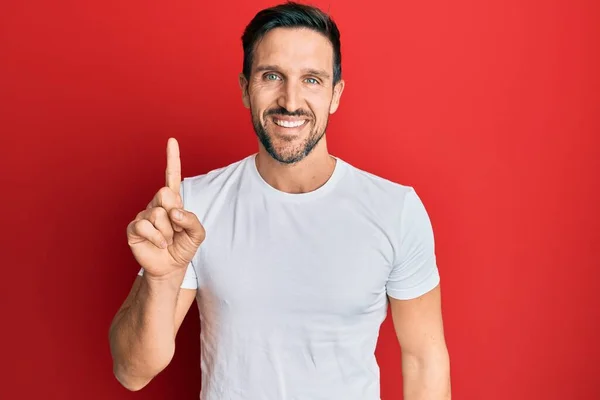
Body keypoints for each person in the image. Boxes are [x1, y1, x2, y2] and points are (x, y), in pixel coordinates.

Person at [108, 2, 451, 399]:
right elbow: (132, 372)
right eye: (272, 76)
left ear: (335, 94)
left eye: (312, 80)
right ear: (244, 88)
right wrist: (161, 278)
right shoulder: (193, 207)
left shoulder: (395, 210)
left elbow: (425, 358)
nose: (290, 100)